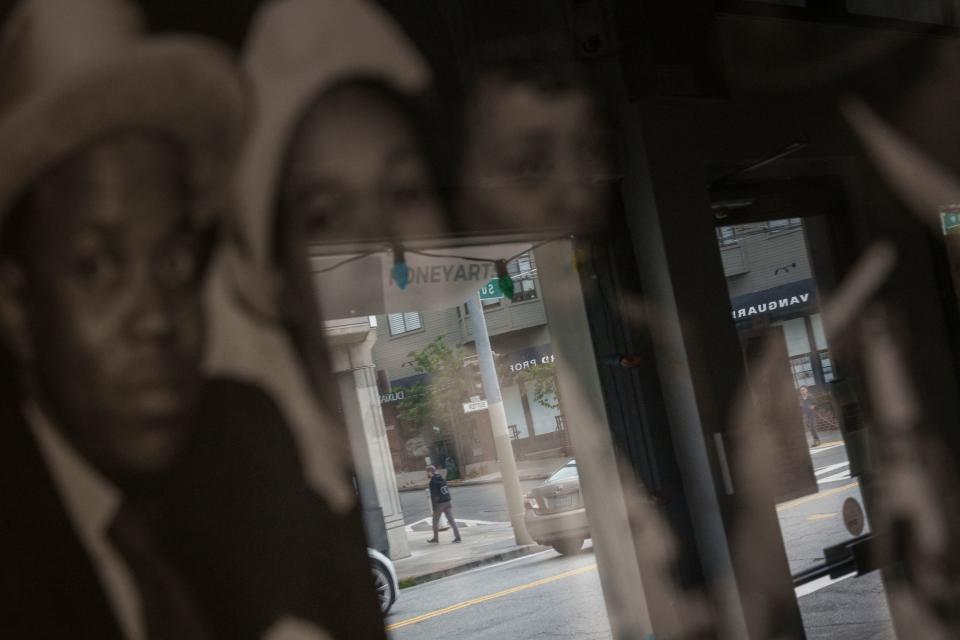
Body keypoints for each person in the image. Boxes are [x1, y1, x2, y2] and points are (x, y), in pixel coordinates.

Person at [0, 1, 384, 638]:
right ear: (16, 305)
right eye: (96, 267)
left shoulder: (244, 442)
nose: (155, 319)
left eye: (174, 261)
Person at [427, 465, 462, 543]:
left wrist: (434, 508)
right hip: (447, 501)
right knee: (451, 521)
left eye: (427, 472)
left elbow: (434, 496)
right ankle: (458, 537)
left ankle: (435, 539)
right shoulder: (442, 478)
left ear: (430, 472)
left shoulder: (433, 482)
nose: (427, 474)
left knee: (435, 521)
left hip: (440, 504)